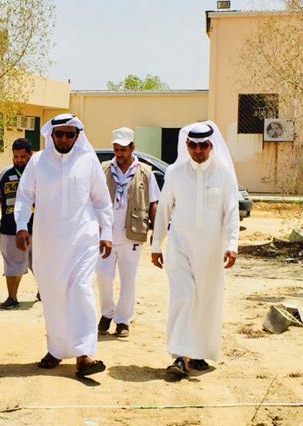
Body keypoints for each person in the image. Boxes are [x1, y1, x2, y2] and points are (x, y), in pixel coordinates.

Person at [13, 113, 113, 378]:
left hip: (83, 238)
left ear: (78, 135)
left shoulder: (88, 161)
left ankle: (84, 354)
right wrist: (22, 225)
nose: (65, 138)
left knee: (81, 290)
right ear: (51, 135)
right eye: (60, 134)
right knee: (53, 294)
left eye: (71, 134)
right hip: (47, 241)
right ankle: (56, 349)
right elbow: (24, 197)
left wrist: (107, 233)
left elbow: (102, 201)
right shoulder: (38, 161)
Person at [151, 121, 239, 378]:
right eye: (193, 145)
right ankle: (178, 356)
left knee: (206, 301)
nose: (198, 150)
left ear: (211, 146)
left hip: (212, 251)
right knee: (183, 297)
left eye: (203, 145)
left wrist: (232, 245)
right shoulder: (176, 173)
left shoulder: (223, 175)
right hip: (180, 247)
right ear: (186, 145)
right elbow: (164, 209)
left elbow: (231, 212)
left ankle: (199, 351)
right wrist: (157, 244)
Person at [97, 127, 159, 338]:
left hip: (133, 233)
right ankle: (107, 312)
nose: (120, 154)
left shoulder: (146, 172)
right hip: (105, 234)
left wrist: (155, 231)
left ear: (132, 148)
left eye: (123, 149)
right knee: (103, 275)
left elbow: (153, 204)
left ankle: (123, 321)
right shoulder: (103, 169)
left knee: (128, 279)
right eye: (116, 149)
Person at [0, 137, 34, 309]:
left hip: (37, 227)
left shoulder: (39, 174)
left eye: (22, 157)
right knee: (12, 263)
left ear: (30, 155)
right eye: (16, 157)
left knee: (41, 263)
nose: (19, 160)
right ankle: (12, 297)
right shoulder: (5, 174)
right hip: (9, 227)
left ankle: (45, 291)